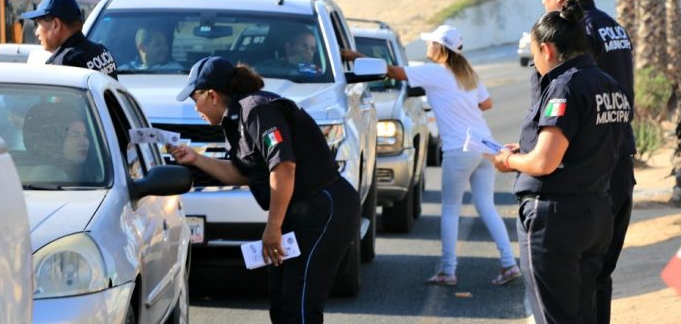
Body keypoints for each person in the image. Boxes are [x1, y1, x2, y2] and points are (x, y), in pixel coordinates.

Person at [168, 56, 359, 323]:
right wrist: (196, 159)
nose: (194, 106)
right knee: (281, 307)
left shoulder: (256, 109)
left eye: (194, 98)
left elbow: (284, 167)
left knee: (299, 310)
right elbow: (247, 173)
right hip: (301, 210)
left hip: (323, 206)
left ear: (211, 95)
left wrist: (273, 226)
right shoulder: (235, 119)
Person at [343, 25, 521, 287]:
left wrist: (356, 56)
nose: (427, 47)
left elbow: (392, 72)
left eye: (430, 43)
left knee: (450, 209)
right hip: (486, 147)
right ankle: (509, 264)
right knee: (487, 206)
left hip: (459, 149)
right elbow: (486, 104)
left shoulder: (435, 72)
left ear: (440, 48)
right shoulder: (468, 73)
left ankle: (448, 270)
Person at [490, 0, 630, 323]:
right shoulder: (611, 86)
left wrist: (509, 161)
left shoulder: (564, 87)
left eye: (535, 55)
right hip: (596, 214)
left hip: (556, 221)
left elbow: (544, 163)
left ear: (547, 49)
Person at [540, 0, 636, 322]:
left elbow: (567, 98)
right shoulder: (615, 28)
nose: (544, 4)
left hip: (591, 171)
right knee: (598, 277)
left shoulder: (577, 33)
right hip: (620, 159)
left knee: (573, 286)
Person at [21, 0, 118, 80]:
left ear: (56, 24)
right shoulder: (102, 51)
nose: (36, 32)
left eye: (39, 25)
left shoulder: (65, 62)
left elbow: (58, 99)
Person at [23, 102, 91, 182]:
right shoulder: (49, 177)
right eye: (75, 136)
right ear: (56, 141)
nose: (85, 143)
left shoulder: (76, 171)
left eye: (85, 135)